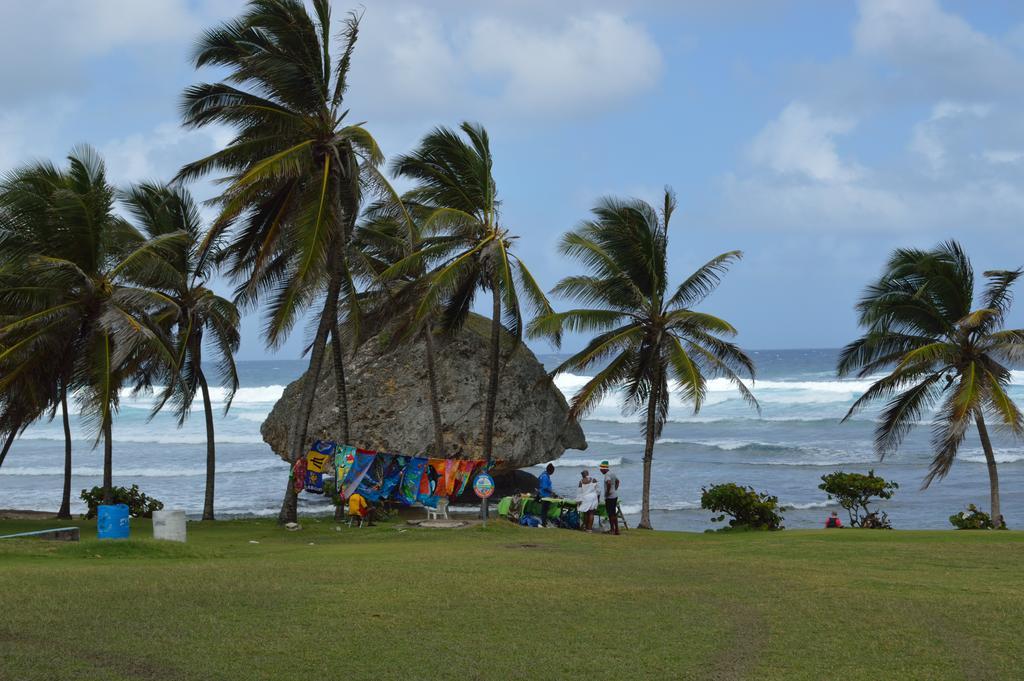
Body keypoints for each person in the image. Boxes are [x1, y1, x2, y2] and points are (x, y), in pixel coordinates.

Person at [599, 460, 620, 535]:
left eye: (601, 469)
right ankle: (616, 530)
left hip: (610, 497)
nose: (600, 470)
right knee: (614, 513)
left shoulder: (607, 475)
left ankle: (612, 530)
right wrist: (615, 489)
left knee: (610, 514)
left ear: (604, 468)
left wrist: (607, 493)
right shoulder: (612, 473)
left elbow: (608, 483)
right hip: (615, 495)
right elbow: (618, 481)